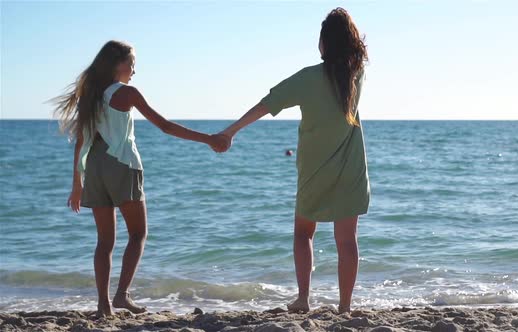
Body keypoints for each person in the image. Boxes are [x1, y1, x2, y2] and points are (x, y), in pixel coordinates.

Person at [51, 40, 227, 317]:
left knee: (104, 242)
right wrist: (208, 139)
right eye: (132, 64)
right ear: (118, 64)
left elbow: (82, 140)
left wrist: (77, 182)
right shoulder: (127, 93)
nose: (134, 70)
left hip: (95, 166)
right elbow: (166, 126)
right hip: (122, 164)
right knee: (138, 233)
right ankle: (122, 295)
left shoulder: (91, 95)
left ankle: (103, 305)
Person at [216, 8, 370, 313]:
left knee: (303, 233)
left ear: (324, 42)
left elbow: (266, 104)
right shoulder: (357, 74)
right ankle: (345, 306)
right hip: (351, 167)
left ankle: (303, 299)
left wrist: (230, 131)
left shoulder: (308, 78)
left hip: (314, 168)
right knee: (347, 240)